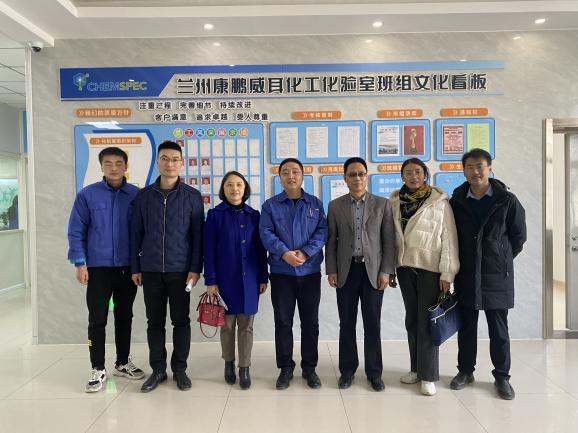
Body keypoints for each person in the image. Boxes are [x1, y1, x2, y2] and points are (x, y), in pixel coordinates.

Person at [449, 148, 526, 400]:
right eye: (469, 167)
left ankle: (502, 376)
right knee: (466, 327)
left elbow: (518, 236)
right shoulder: (456, 201)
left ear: (489, 168)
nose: (475, 172)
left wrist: (500, 259)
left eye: (480, 166)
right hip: (466, 274)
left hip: (496, 275)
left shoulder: (507, 200)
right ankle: (465, 371)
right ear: (464, 171)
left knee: (499, 330)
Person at [67, 147, 145, 393]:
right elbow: (76, 230)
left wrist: (140, 265)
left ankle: (122, 362)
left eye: (118, 163)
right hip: (97, 268)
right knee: (97, 319)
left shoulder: (136, 195)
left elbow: (143, 232)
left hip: (127, 269)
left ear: (125, 166)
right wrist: (80, 263)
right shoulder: (87, 195)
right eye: (108, 163)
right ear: (101, 166)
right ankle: (97, 368)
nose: (113, 168)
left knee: (125, 316)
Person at [131, 140, 204, 393]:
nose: (170, 163)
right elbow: (135, 234)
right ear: (158, 161)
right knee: (154, 322)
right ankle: (158, 369)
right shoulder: (143, 196)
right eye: (165, 158)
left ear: (181, 163)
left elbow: (197, 237)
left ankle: (180, 369)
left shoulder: (192, 196)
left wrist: (195, 269)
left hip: (181, 271)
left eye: (175, 159)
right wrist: (135, 267)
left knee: (181, 321)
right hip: (150, 269)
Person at [389, 158, 459, 396]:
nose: (413, 176)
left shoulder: (439, 202)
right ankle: (416, 369)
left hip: (430, 270)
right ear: (402, 176)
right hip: (405, 268)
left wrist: (447, 272)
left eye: (418, 172)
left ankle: (428, 376)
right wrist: (390, 269)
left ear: (425, 174)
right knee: (412, 320)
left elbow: (449, 239)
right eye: (408, 172)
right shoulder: (395, 202)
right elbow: (390, 239)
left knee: (427, 323)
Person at [326, 157, 396, 392]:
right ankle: (347, 371)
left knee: (372, 324)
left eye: (361, 174)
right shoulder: (335, 206)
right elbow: (331, 241)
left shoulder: (382, 204)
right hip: (346, 271)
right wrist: (331, 269)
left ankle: (374, 373)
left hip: (373, 272)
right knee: (346, 323)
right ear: (345, 178)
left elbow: (389, 241)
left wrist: (386, 271)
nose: (357, 178)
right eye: (352, 174)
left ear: (367, 176)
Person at [259, 158, 328, 390]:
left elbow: (322, 232)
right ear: (280, 177)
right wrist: (284, 253)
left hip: (310, 273)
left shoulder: (315, 204)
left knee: (310, 323)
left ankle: (310, 368)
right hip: (282, 273)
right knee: (283, 322)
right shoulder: (270, 206)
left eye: (295, 172)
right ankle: (285, 368)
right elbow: (265, 233)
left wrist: (306, 252)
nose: (291, 176)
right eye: (286, 172)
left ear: (302, 175)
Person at [204, 171, 268, 390]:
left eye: (239, 184)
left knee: (246, 326)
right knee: (228, 326)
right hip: (225, 280)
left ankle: (245, 367)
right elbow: (208, 251)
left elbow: (260, 250)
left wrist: (263, 276)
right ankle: (228, 363)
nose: (234, 189)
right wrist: (211, 280)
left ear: (245, 189)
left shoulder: (254, 216)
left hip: (250, 279)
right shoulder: (215, 215)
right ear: (223, 189)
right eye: (229, 185)